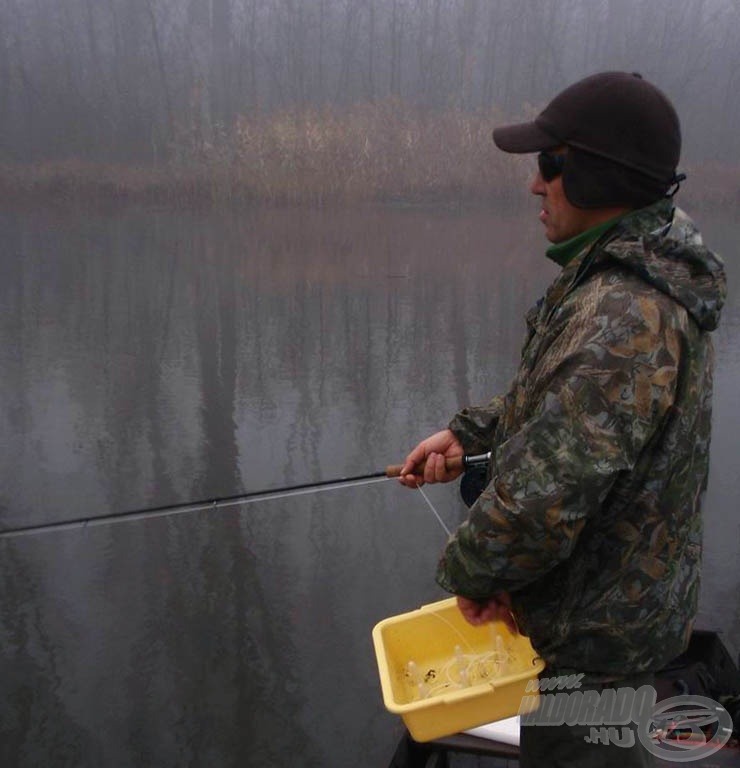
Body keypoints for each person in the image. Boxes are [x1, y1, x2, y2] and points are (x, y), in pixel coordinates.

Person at [399, 72, 726, 767]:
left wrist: (469, 573)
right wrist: (474, 433)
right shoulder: (627, 278)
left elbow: (534, 509)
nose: (535, 185)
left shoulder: (624, 315)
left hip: (596, 651)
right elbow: (570, 401)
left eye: (551, 165)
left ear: (597, 177)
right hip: (611, 623)